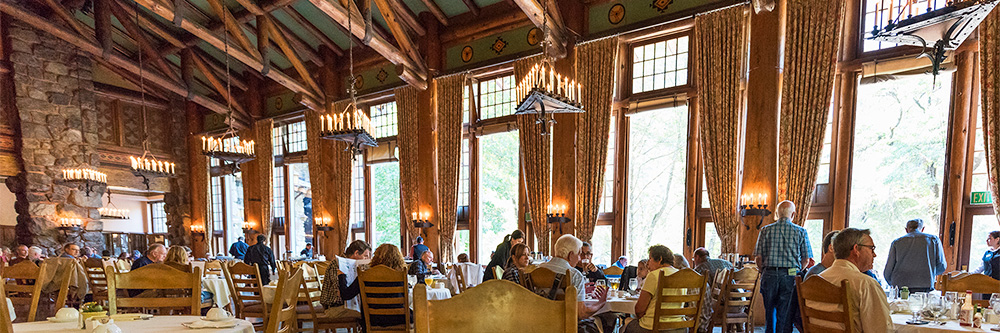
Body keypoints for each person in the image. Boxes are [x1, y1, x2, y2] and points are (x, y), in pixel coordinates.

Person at [818, 228, 893, 331]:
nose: (874, 255)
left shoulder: (817, 280)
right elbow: (881, 329)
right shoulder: (865, 283)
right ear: (856, 249)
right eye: (872, 248)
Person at [753, 200, 812, 333]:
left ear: (777, 214)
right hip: (790, 275)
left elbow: (758, 258)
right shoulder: (801, 231)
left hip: (769, 274)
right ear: (793, 214)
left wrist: (764, 271)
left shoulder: (765, 230)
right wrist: (795, 270)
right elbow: (806, 260)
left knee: (769, 312)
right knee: (785, 314)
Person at [536, 234, 608, 331]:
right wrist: (600, 303)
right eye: (579, 254)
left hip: (538, 324)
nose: (579, 258)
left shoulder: (538, 269)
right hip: (564, 326)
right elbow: (581, 313)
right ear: (570, 255)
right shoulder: (574, 275)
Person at [624, 245, 682, 333]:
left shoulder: (654, 275)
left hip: (654, 328)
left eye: (650, 259)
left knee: (626, 323)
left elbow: (639, 310)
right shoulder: (681, 275)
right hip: (679, 327)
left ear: (660, 259)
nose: (647, 263)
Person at [883, 218, 947, 293]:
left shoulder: (896, 242)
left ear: (906, 230)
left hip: (901, 286)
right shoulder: (933, 240)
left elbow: (888, 269)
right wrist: (929, 272)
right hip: (925, 285)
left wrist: (892, 284)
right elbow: (942, 266)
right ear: (923, 229)